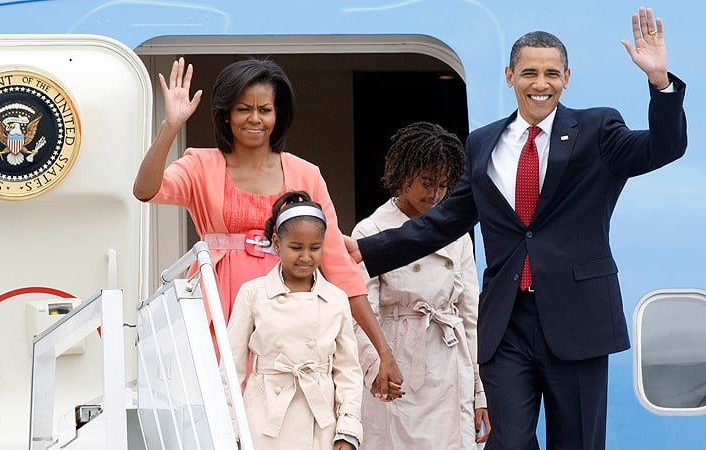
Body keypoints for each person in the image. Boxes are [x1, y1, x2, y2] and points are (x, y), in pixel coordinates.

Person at [344, 7, 687, 449]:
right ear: (510, 76)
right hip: (508, 321)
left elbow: (664, 147)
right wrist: (367, 251)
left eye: (551, 74)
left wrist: (660, 83)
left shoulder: (598, 128)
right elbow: (446, 221)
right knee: (507, 443)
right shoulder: (484, 141)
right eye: (529, 72)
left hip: (577, 316)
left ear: (567, 77)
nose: (540, 84)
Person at [132, 57, 402, 398]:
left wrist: (383, 350)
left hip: (290, 308)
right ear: (226, 113)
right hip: (217, 306)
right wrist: (170, 126)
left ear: (279, 115)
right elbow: (145, 190)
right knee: (222, 406)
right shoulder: (200, 164)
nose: (255, 119)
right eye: (244, 108)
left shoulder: (306, 173)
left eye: (266, 109)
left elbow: (338, 265)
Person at [352, 122, 490, 449]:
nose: (435, 194)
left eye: (443, 185)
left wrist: (479, 391)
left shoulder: (457, 236)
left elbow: (471, 318)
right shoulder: (371, 229)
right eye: (427, 183)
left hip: (447, 361)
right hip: (395, 359)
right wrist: (375, 365)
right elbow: (359, 312)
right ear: (403, 174)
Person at [225, 191, 364, 450]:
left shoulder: (336, 298)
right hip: (264, 418)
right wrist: (231, 429)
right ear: (277, 243)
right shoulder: (253, 293)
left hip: (320, 421)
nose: (306, 257)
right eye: (296, 247)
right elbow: (230, 369)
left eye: (315, 248)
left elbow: (348, 371)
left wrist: (347, 429)